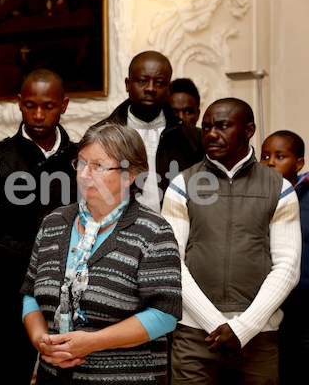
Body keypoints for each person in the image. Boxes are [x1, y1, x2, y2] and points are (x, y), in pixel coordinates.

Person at [21, 123, 182, 384]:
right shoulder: (54, 223)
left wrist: (93, 342)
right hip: (56, 375)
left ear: (130, 175)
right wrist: (40, 339)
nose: (84, 174)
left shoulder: (153, 231)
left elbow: (164, 314)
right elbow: (30, 294)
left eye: (98, 166)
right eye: (81, 163)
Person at [161, 98, 302, 384]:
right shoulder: (181, 185)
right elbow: (172, 263)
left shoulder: (280, 188)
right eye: (207, 127)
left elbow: (287, 267)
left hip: (258, 337)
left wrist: (244, 328)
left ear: (249, 130)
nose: (211, 134)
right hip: (194, 336)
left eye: (223, 126)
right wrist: (215, 324)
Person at [0, 68, 78, 384]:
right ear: (19, 103)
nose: (38, 114)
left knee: (67, 374)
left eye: (48, 106)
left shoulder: (81, 159)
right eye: (30, 105)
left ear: (63, 105)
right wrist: (41, 257)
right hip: (12, 289)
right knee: (7, 374)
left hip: (71, 290)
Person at [92, 50, 203, 213]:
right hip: (117, 231)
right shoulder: (102, 134)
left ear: (169, 88)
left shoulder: (192, 137)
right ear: (127, 84)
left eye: (159, 83)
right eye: (143, 81)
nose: (150, 88)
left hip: (177, 231)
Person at [260, 130, 309, 385]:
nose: (270, 162)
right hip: (268, 301)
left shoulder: (305, 195)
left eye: (280, 156)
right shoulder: (256, 196)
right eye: (265, 155)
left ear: (298, 163)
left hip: (303, 300)